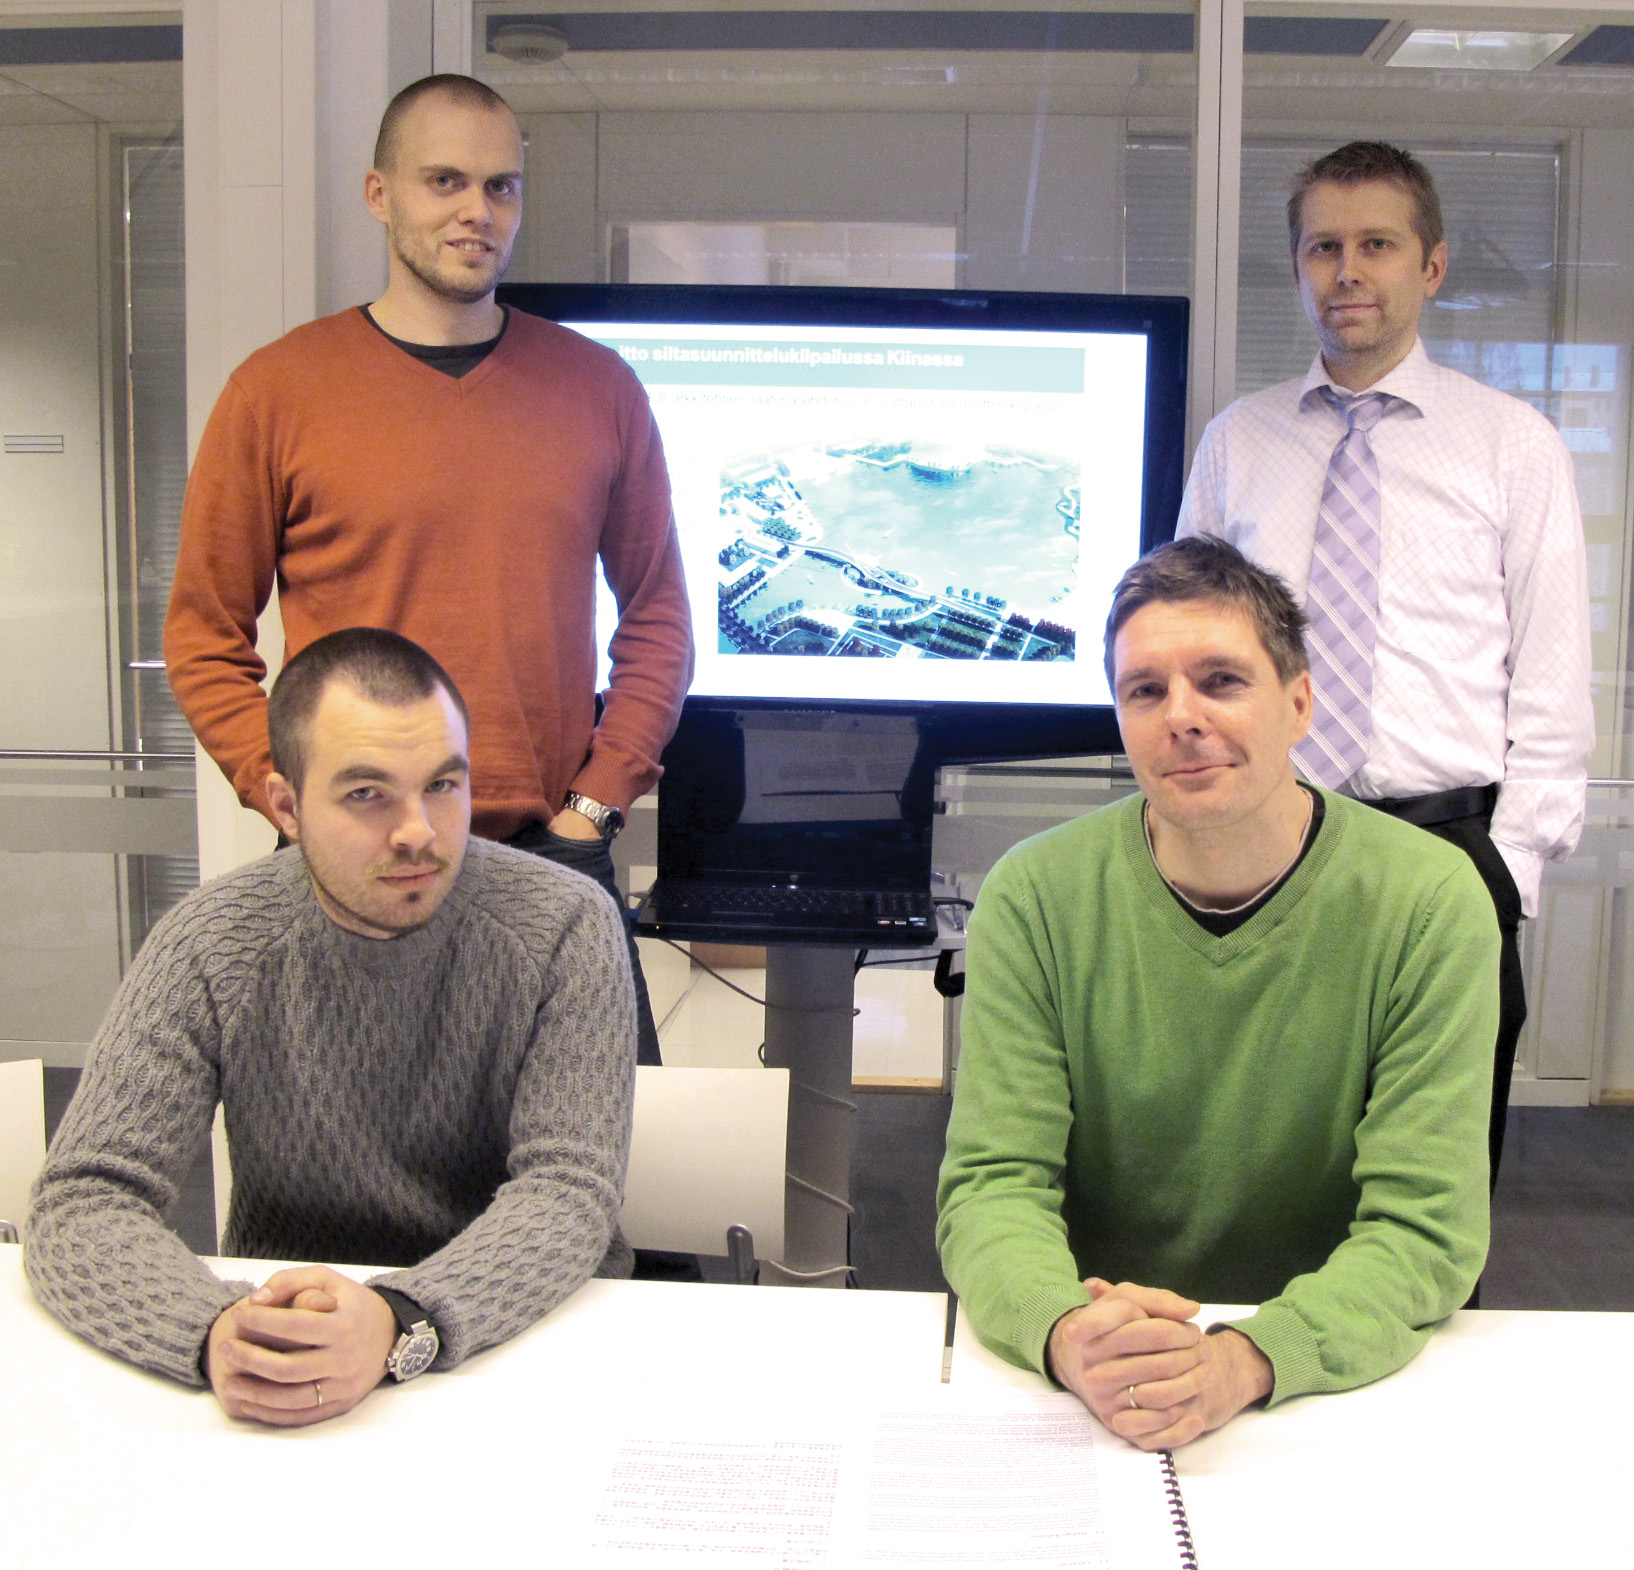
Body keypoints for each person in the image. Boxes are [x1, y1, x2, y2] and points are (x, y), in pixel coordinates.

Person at [163, 72, 693, 1066]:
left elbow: (659, 614)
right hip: (351, 863)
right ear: (380, 194)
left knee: (619, 1150)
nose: (474, 211)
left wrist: (595, 804)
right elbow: (202, 632)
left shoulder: (597, 388)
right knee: (338, 1155)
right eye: (443, 180)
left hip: (549, 857)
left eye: (500, 186)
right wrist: (283, 789)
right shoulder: (276, 391)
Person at [936, 537, 1496, 1452]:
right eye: (1144, 690)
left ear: (1300, 703)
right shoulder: (1035, 895)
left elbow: (1425, 1230)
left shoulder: (1428, 901)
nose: (1181, 717)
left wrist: (1245, 1359)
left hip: (1321, 1387)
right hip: (1098, 1380)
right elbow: (992, 1187)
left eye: (1222, 681)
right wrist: (1067, 1332)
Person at [26, 628, 636, 1428]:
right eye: (366, 794)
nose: (418, 830)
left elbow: (569, 1191)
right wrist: (214, 1332)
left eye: (442, 785)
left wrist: (397, 1320)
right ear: (287, 806)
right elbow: (84, 1199)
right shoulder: (211, 942)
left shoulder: (563, 923)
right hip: (283, 1342)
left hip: (520, 1348)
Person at [1177, 140, 1592, 1183]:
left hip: (1447, 851)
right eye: (1323, 248)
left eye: (1376, 245)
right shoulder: (1238, 442)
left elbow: (1552, 679)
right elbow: (1186, 648)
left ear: (1431, 266)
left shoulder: (1511, 444)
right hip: (1268, 843)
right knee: (1259, 1162)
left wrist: (1507, 872)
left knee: (1431, 1176)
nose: (1347, 271)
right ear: (1298, 267)